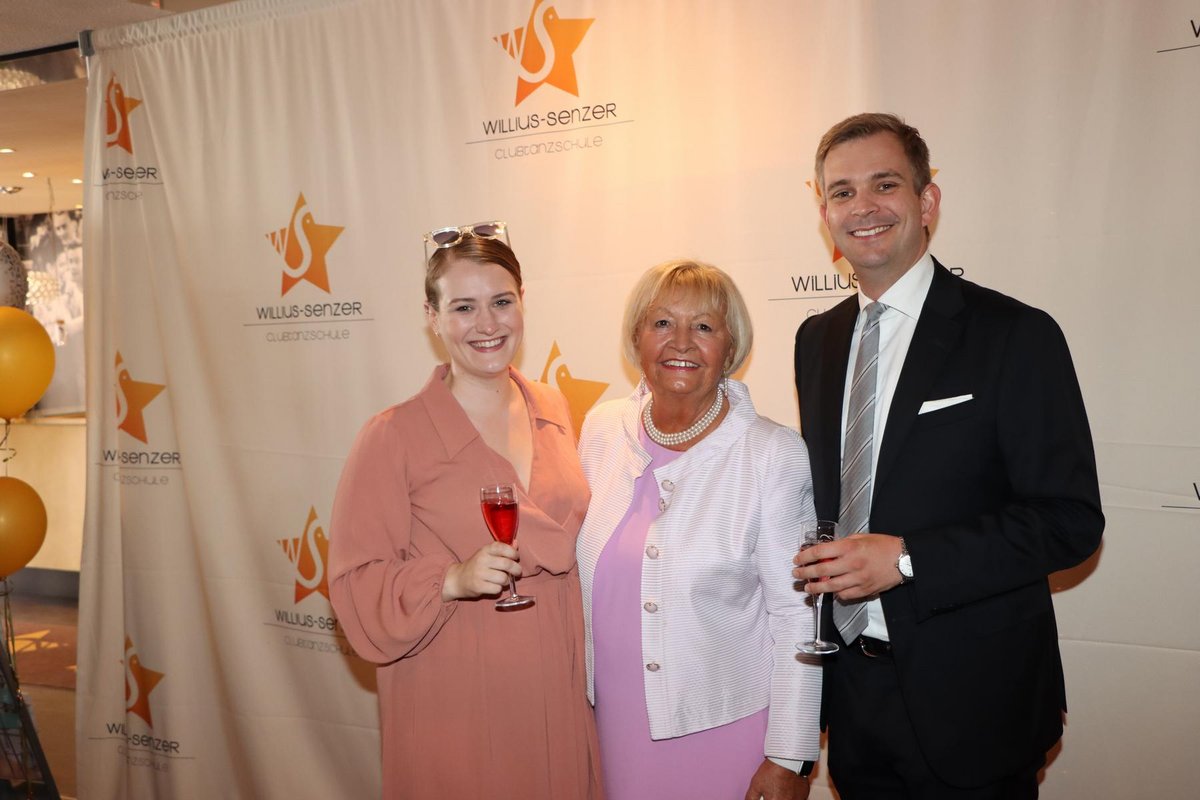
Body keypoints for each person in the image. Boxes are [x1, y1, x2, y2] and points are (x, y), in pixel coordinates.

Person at [792, 113, 1104, 798]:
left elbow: (1069, 521)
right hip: (853, 698)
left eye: (885, 184)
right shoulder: (817, 340)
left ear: (927, 201)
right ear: (825, 215)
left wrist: (908, 560)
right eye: (842, 192)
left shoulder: (1015, 334)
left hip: (976, 703)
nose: (863, 207)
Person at [329, 222, 603, 799]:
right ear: (432, 317)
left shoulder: (554, 408)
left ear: (522, 302)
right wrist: (451, 579)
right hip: (453, 696)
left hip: (555, 683)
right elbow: (354, 586)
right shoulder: (392, 435)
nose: (487, 324)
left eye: (501, 302)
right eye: (463, 307)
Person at [577, 260, 821, 800]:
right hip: (613, 724)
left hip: (726, 728)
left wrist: (789, 756)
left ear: (730, 348)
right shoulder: (601, 431)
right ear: (636, 338)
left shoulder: (771, 453)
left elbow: (797, 614)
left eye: (704, 326)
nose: (681, 342)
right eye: (662, 322)